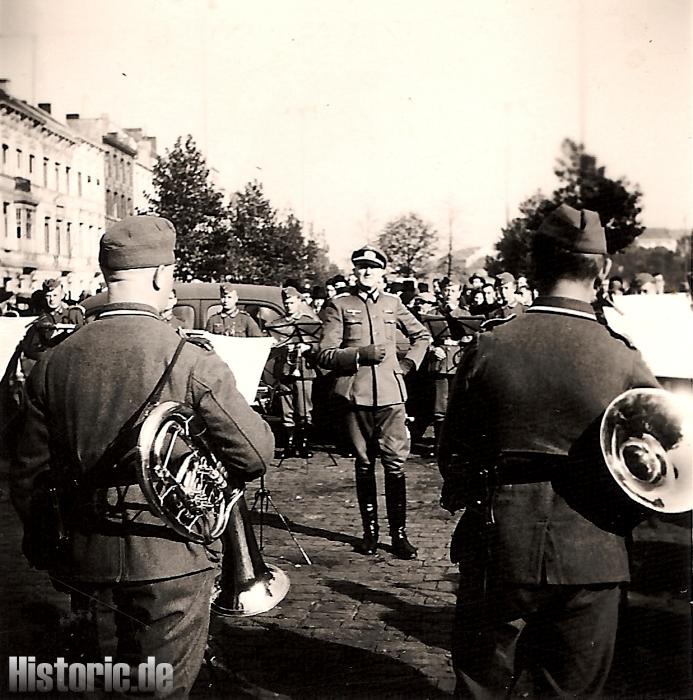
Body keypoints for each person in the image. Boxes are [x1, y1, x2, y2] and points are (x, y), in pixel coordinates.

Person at [11, 215, 275, 697]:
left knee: (103, 683)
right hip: (171, 558)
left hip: (84, 557)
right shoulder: (190, 357)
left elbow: (27, 475)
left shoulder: (53, 360)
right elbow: (255, 455)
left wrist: (53, 547)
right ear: (159, 275)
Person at [438, 203, 660, 698]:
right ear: (601, 270)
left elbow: (452, 449)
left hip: (499, 542)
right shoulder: (622, 357)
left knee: (481, 687)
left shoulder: (491, 345)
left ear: (534, 263)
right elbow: (659, 465)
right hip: (594, 551)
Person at [317, 246, 431, 559]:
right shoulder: (339, 304)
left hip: (392, 395)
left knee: (396, 463)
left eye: (372, 268)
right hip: (357, 395)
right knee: (365, 463)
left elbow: (423, 336)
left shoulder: (394, 303)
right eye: (361, 267)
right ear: (354, 271)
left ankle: (399, 535)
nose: (366, 272)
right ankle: (370, 534)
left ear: (383, 272)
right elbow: (324, 354)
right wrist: (359, 355)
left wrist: (408, 365)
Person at [271, 286, 321, 458]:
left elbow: (319, 344)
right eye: (286, 303)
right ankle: (289, 444)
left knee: (305, 408)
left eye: (292, 302)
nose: (288, 306)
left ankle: (304, 443)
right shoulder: (279, 324)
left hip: (304, 370)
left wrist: (307, 346)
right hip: (285, 370)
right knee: (287, 409)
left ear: (299, 302)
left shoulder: (309, 322)